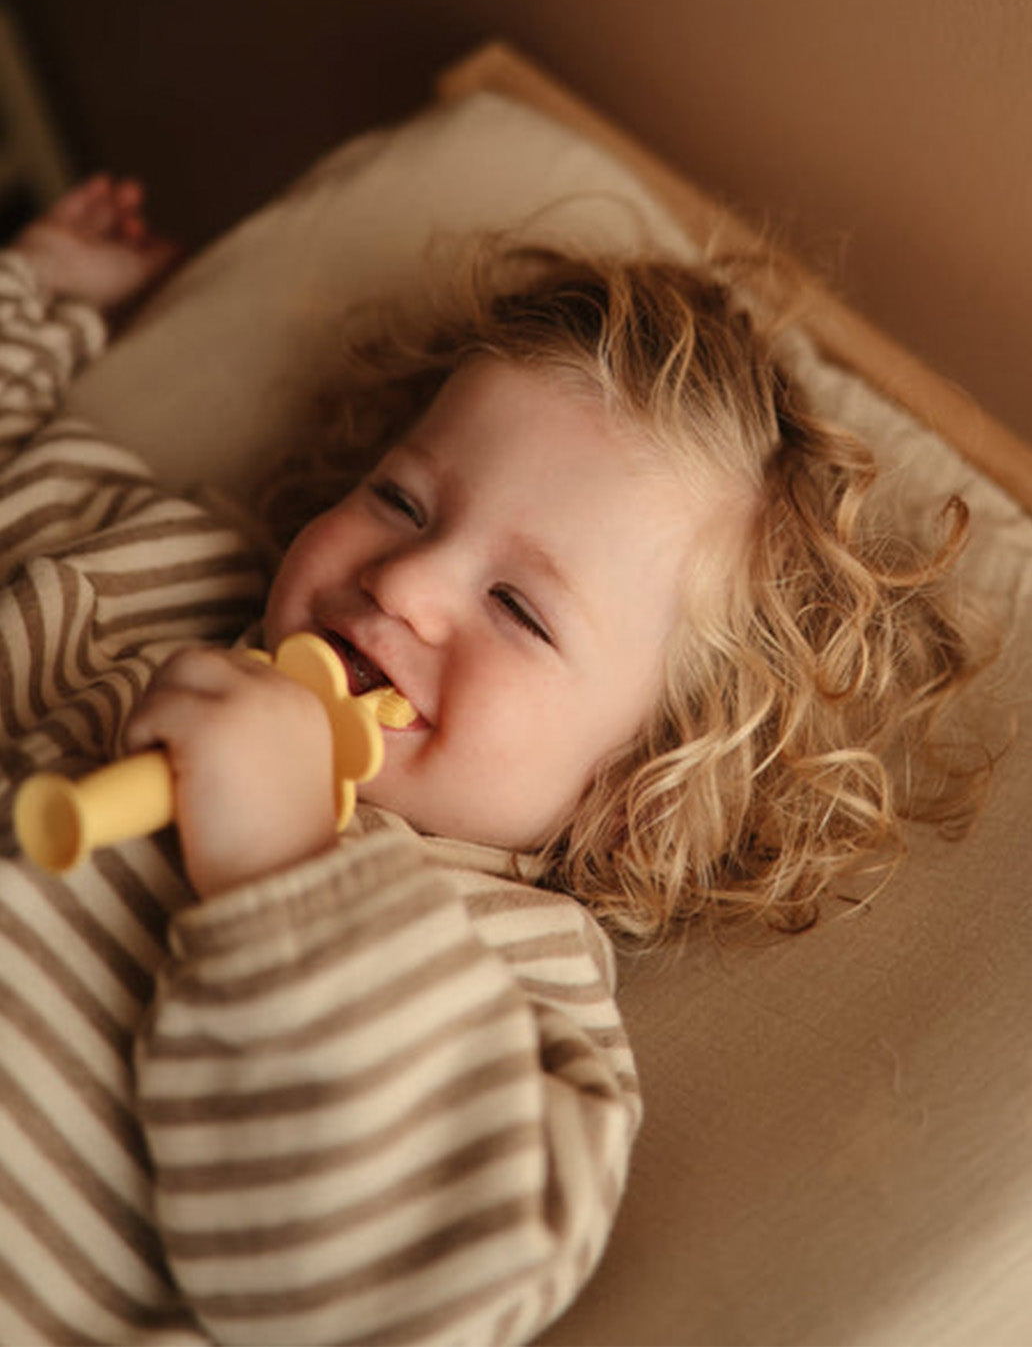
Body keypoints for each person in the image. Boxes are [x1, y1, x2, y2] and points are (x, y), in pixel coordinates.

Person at [0, 176, 990, 1345]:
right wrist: (38, 287)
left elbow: (393, 1290)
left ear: (636, 793)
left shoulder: (513, 983)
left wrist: (282, 866)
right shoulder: (163, 579)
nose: (406, 583)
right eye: (403, 499)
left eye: (519, 608)